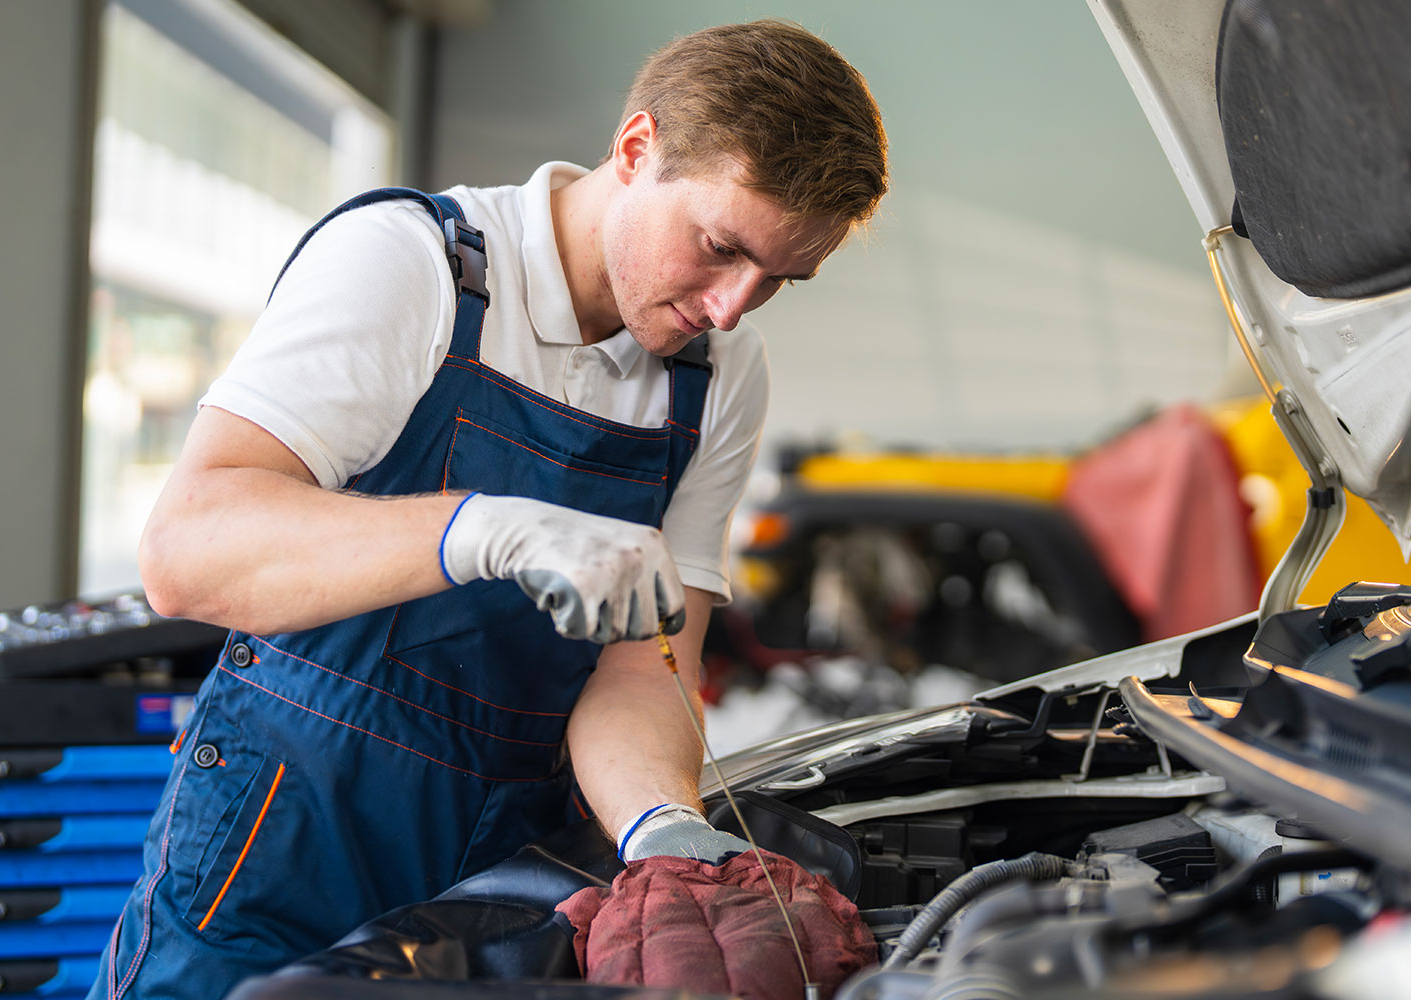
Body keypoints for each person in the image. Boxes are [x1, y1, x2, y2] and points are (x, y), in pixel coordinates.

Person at [89, 20, 886, 999]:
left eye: (779, 280)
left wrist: (663, 830)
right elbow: (187, 548)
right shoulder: (411, 264)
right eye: (719, 247)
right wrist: (481, 528)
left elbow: (645, 665)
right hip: (281, 839)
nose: (731, 306)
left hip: (502, 869)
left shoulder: (718, 379)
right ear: (635, 150)